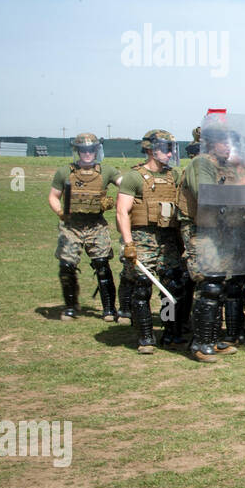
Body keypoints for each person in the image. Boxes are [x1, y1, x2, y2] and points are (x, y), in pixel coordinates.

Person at [177, 117, 245, 363]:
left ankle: (214, 338)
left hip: (224, 231)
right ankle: (201, 342)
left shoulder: (228, 166)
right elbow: (208, 195)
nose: (228, 147)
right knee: (209, 285)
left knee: (223, 285)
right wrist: (241, 182)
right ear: (211, 143)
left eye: (230, 143)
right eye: (223, 143)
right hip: (202, 231)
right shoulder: (201, 164)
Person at [116, 130, 187, 353]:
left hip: (168, 240)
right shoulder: (134, 177)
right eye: (165, 149)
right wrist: (129, 244)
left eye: (170, 149)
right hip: (142, 238)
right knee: (142, 288)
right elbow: (121, 211)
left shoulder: (173, 176)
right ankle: (145, 337)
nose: (169, 153)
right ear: (151, 150)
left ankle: (171, 334)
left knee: (171, 288)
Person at [48, 133, 123, 322]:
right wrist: (60, 212)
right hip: (71, 225)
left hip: (96, 224)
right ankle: (71, 306)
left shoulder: (107, 171)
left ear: (96, 151)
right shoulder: (65, 172)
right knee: (66, 266)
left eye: (91, 150)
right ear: (77, 151)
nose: (87, 154)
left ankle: (109, 309)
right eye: (83, 150)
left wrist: (115, 201)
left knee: (102, 265)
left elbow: (126, 186)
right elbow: (53, 196)